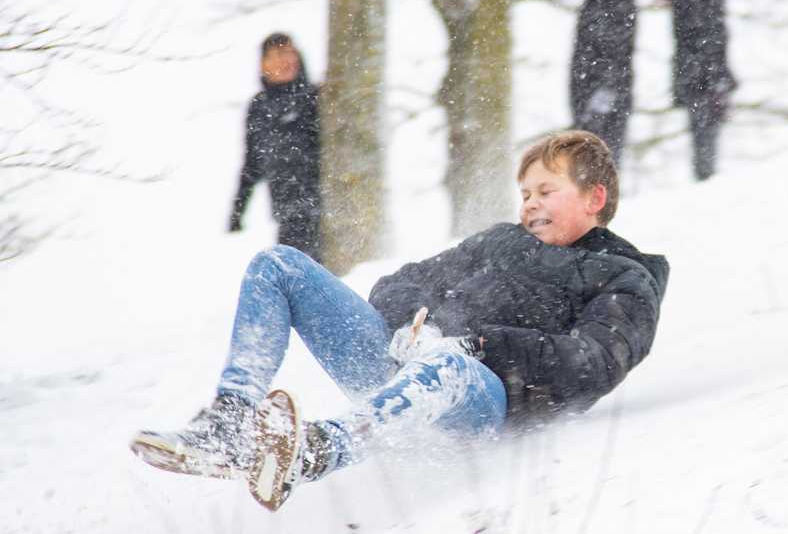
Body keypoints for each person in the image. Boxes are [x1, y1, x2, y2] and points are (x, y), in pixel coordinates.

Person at [131, 130, 669, 511]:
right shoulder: (501, 240)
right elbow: (401, 282)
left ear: (595, 197)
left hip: (483, 399)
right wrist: (412, 325)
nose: (529, 204)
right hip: (401, 365)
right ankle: (229, 423)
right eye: (525, 193)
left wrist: (475, 344)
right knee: (279, 265)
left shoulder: (625, 279)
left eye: (546, 191)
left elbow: (591, 363)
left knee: (449, 364)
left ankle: (316, 450)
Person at [637, 0, 737, 181]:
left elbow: (707, 35)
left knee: (704, 159)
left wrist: (700, 77)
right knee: (704, 154)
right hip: (705, 78)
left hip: (704, 80)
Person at [228, 33, 322, 262]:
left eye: (290, 52)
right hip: (288, 215)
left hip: (324, 210)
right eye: (278, 54)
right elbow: (252, 164)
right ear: (264, 64)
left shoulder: (315, 97)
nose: (286, 60)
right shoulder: (259, 107)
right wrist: (238, 211)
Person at [567, 0, 637, 166]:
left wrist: (601, 98)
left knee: (596, 189)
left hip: (602, 110)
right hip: (593, 108)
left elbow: (615, 53)